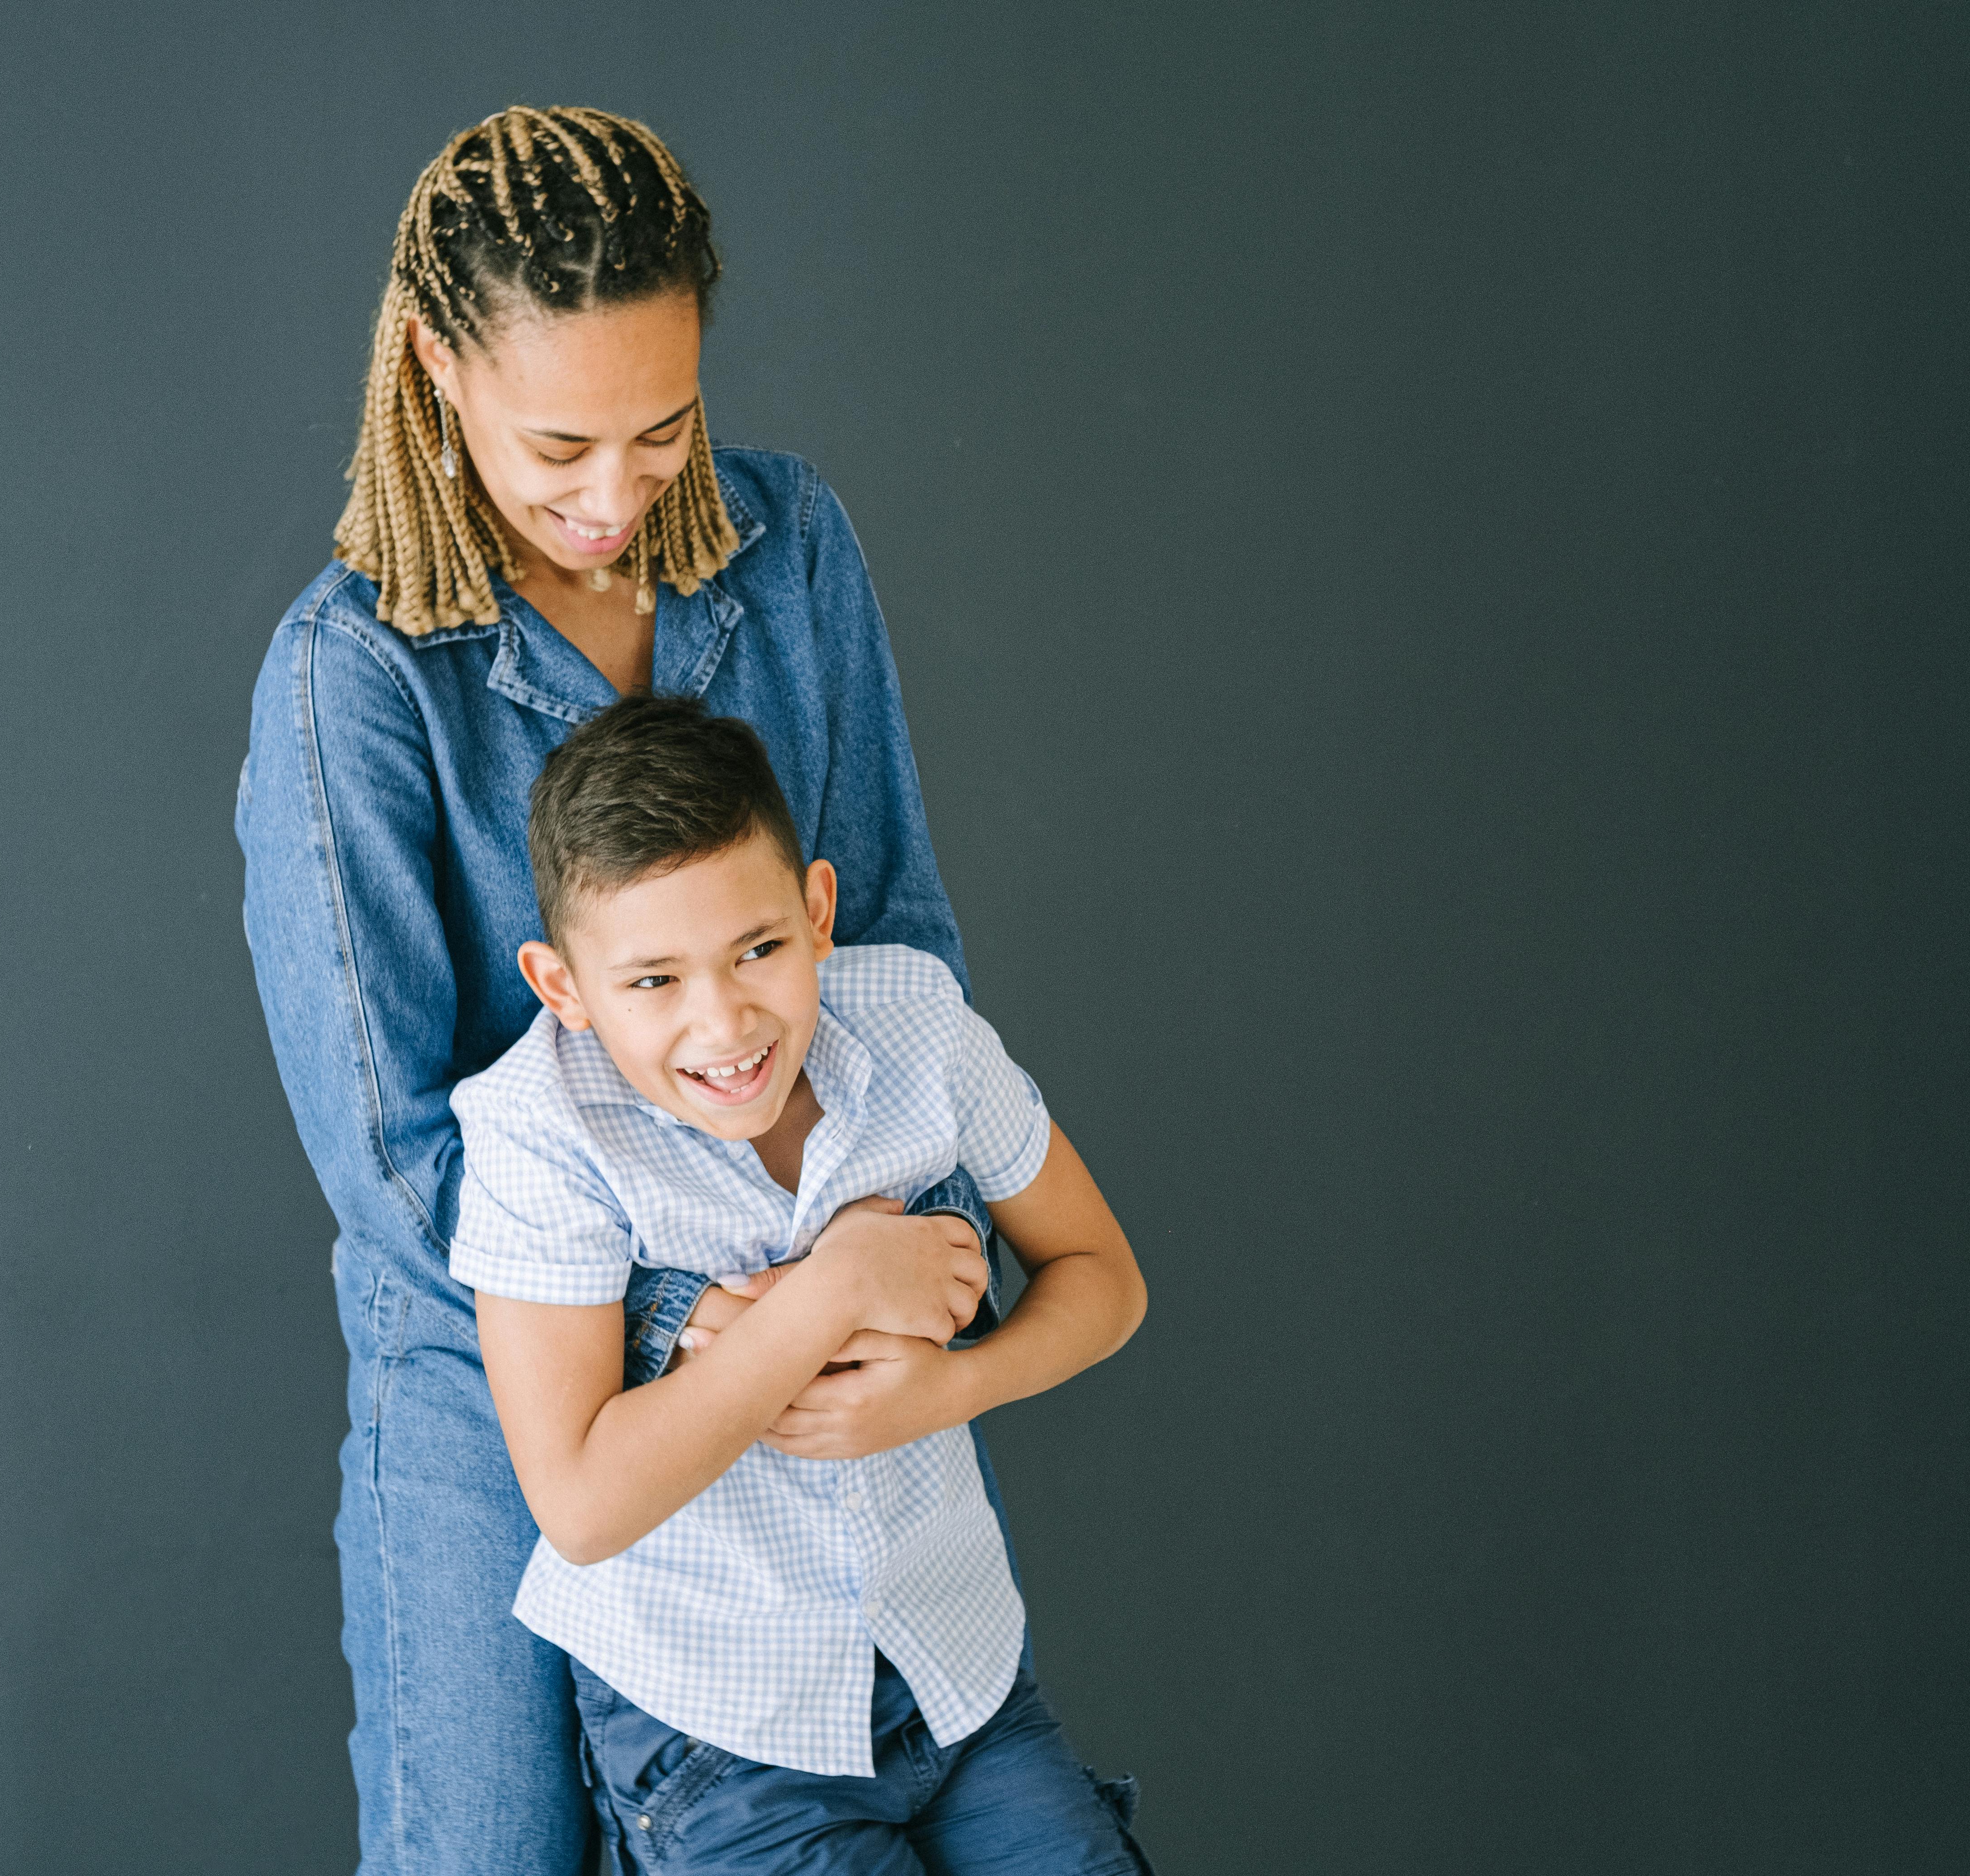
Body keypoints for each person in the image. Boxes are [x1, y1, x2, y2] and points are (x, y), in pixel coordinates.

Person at [237, 106, 1113, 1872]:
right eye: (558, 441)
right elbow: (399, 1162)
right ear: (432, 366)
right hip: (512, 1397)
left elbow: (894, 958)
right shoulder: (355, 680)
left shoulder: (790, 553)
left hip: (814, 1305)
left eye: (663, 427)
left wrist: (828, 1307)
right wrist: (695, 1324)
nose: (613, 495)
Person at [456, 694, 1148, 1874]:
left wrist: (949, 1391)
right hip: (722, 1727)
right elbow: (582, 1504)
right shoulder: (537, 1131)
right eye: (653, 982)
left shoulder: (917, 1024)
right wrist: (833, 1294)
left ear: (816, 911)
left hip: (954, 1669)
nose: (723, 1022)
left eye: (759, 950)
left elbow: (1105, 1281)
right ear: (563, 987)